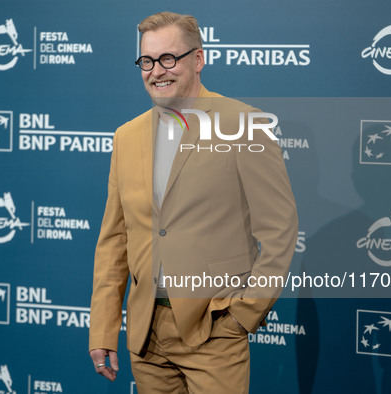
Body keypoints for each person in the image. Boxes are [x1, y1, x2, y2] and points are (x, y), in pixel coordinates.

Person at [89, 11, 298, 393]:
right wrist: (103, 328)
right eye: (147, 61)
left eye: (169, 58)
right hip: (146, 337)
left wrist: (241, 316)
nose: (157, 71)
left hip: (213, 330)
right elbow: (114, 241)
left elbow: (280, 231)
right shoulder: (126, 136)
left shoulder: (244, 124)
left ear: (198, 59)